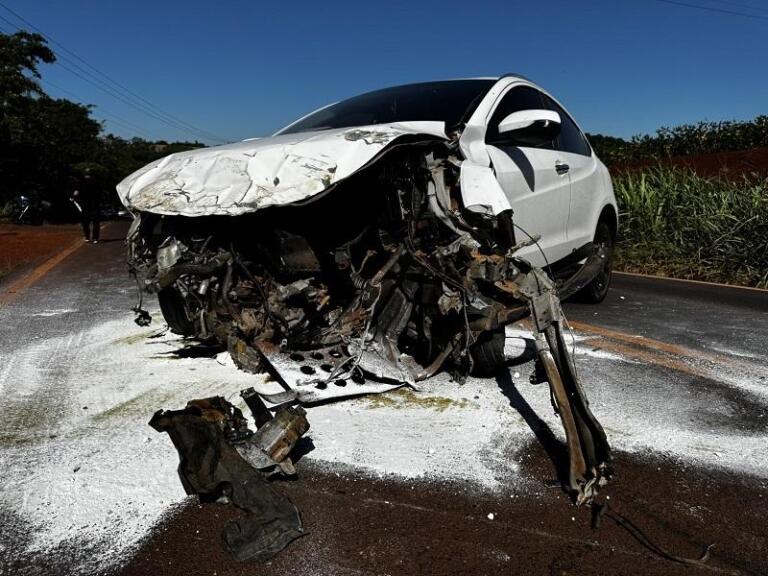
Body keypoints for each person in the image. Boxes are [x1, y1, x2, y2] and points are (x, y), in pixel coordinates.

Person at [70, 171, 101, 243]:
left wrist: (73, 197)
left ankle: (87, 237)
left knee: (85, 222)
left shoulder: (81, 182)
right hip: (95, 204)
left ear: (84, 175)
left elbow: (76, 193)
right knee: (95, 222)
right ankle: (95, 238)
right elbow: (100, 193)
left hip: (85, 205)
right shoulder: (96, 182)